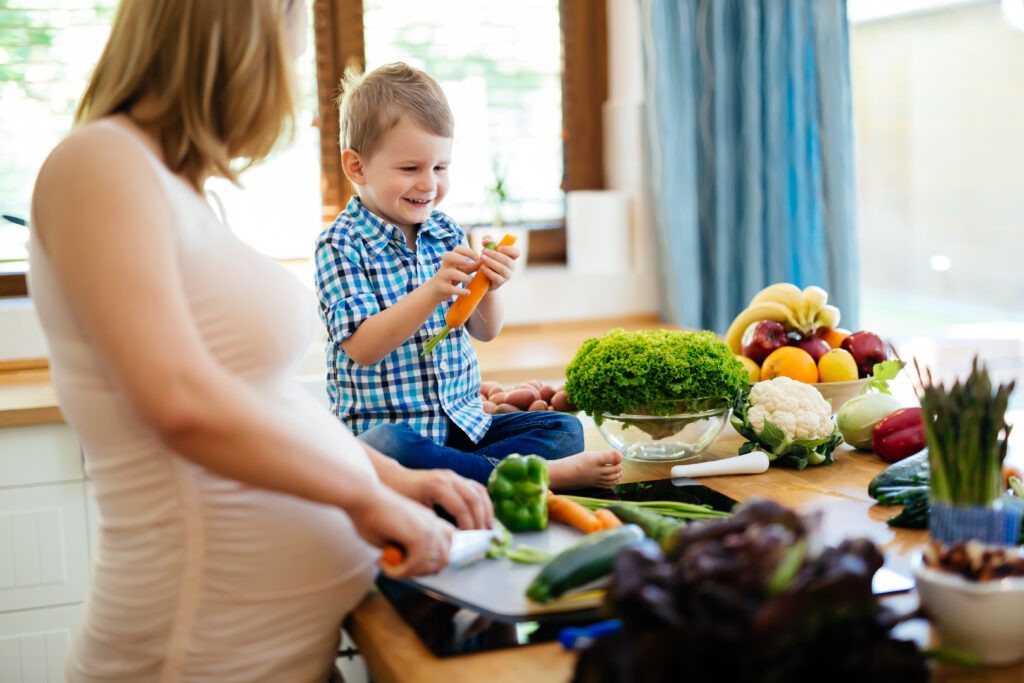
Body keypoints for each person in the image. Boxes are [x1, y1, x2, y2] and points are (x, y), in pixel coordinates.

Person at [28, 2, 493, 681]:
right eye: (292, 47)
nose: (293, 74)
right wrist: (364, 499)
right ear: (239, 38)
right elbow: (181, 403)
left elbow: (267, 401)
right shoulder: (99, 161)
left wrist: (396, 477)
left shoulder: (175, 190)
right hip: (188, 657)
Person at [314, 62, 623, 490]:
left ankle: (468, 477)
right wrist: (430, 293)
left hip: (464, 428)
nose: (429, 184)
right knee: (387, 447)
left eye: (441, 167)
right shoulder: (340, 244)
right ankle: (532, 477)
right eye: (410, 169)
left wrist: (491, 288)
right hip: (389, 438)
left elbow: (485, 331)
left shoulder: (445, 230)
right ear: (357, 167)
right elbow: (363, 348)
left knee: (564, 431)